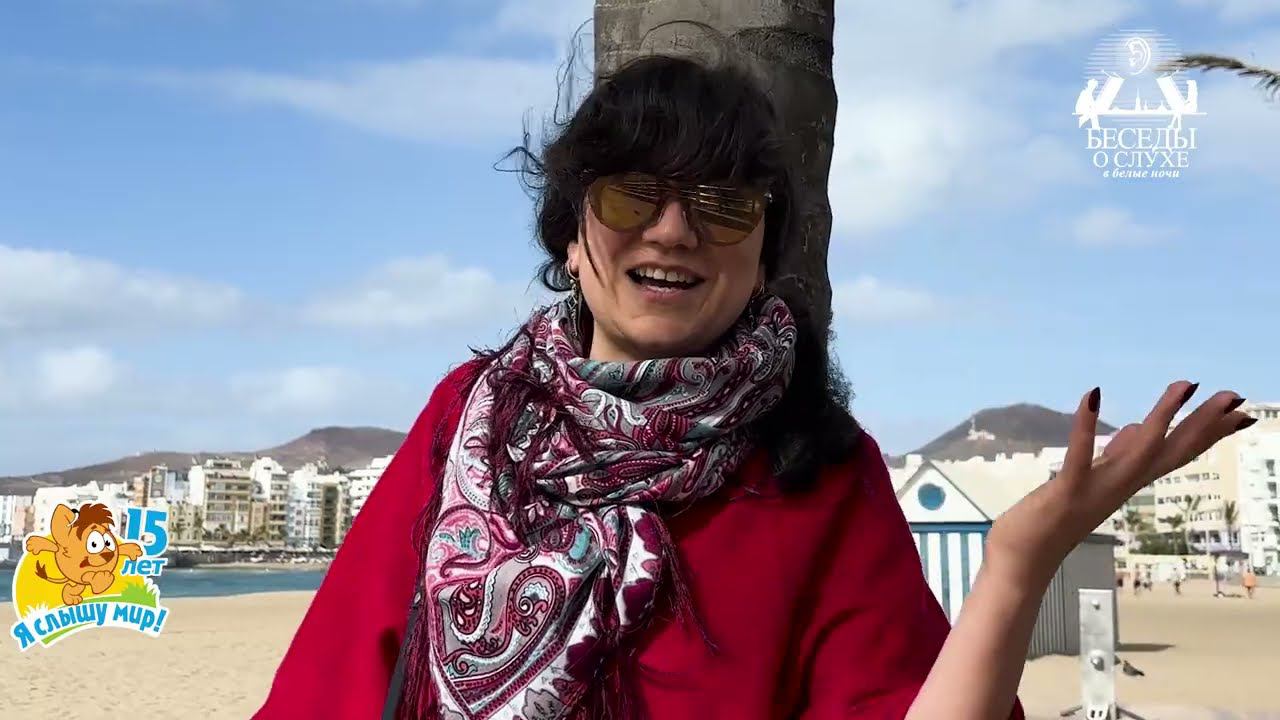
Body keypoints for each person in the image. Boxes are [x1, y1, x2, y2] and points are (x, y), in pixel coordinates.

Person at [252, 50, 1255, 720]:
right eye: (631, 196)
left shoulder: (818, 468)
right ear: (570, 234)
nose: (674, 229)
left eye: (722, 205)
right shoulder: (471, 420)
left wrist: (1014, 569)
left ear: (763, 250)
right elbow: (330, 684)